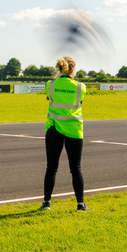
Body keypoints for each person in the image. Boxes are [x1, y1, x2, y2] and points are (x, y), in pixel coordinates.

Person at [40, 56, 89, 212]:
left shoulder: (50, 85)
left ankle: (47, 203)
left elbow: (50, 97)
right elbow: (79, 101)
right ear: (73, 69)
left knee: (51, 168)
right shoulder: (81, 87)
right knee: (76, 168)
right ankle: (80, 205)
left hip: (54, 128)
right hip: (74, 130)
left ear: (59, 69)